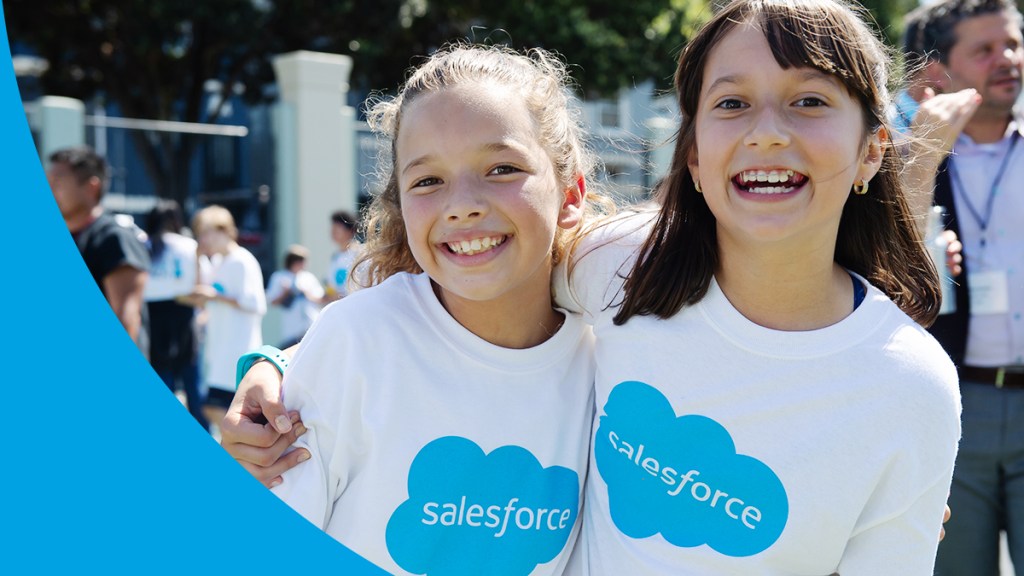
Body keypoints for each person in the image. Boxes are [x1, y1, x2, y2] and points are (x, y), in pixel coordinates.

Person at [224, 1, 961, 572]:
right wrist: (276, 367)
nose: (766, 131)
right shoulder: (620, 268)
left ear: (873, 148)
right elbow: (469, 287)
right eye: (731, 103)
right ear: (695, 156)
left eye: (809, 100)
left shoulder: (908, 387)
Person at [243, 44, 604, 575]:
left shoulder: (606, 363)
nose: (461, 203)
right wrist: (272, 362)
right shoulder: (356, 342)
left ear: (570, 196)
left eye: (502, 167)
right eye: (428, 180)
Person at [901, 1, 1024, 574]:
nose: (1007, 60)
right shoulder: (899, 162)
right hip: (955, 409)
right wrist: (921, 156)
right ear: (937, 75)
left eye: (1014, 44)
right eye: (984, 50)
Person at [47, 146, 150, 356]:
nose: (49, 187)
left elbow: (126, 321)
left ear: (91, 187)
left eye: (58, 180)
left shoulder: (113, 238)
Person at [188, 205, 266, 429]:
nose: (203, 239)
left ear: (223, 230)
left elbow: (256, 304)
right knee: (215, 410)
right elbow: (201, 294)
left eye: (206, 233)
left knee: (226, 412)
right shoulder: (219, 262)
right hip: (219, 355)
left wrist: (217, 296)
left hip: (239, 352)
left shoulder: (242, 260)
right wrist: (197, 258)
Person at [143, 199, 208, 430]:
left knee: (162, 376)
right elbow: (202, 285)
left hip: (152, 314)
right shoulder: (188, 245)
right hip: (183, 310)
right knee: (191, 378)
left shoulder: (144, 244)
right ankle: (203, 428)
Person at [265, 244, 324, 348]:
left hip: (311, 324)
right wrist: (285, 293)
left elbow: (320, 298)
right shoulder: (279, 277)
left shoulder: (308, 277)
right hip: (291, 329)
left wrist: (306, 293)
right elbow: (272, 302)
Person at [324, 210, 362, 302]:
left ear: (350, 230)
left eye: (338, 227)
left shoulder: (360, 253)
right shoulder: (335, 257)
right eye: (333, 227)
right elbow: (331, 287)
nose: (333, 231)